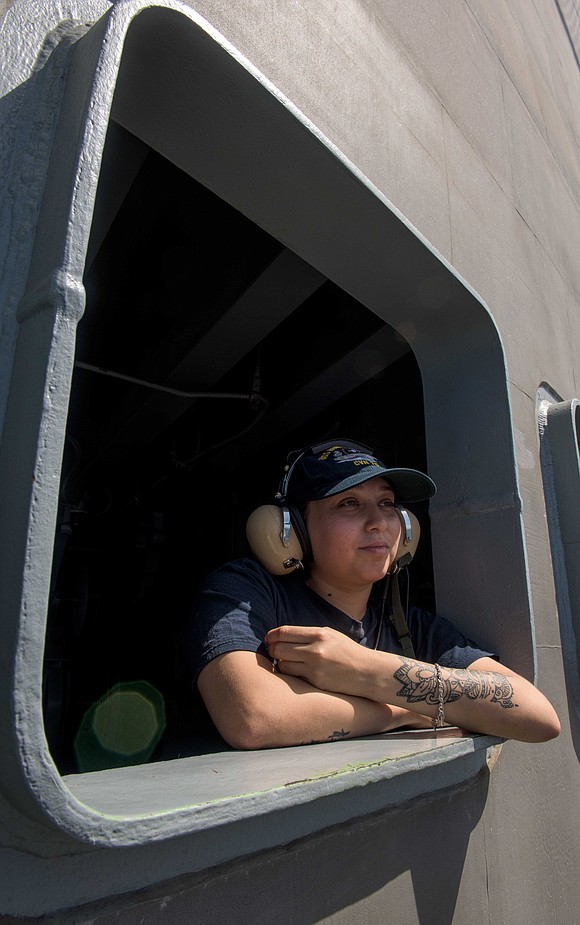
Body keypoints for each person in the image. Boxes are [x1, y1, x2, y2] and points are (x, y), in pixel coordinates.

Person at [185, 440, 560, 749]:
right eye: (348, 504)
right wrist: (407, 710)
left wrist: (363, 669)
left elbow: (537, 716)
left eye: (386, 503)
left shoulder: (409, 626)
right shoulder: (244, 592)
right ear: (291, 529)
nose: (378, 521)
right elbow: (254, 717)